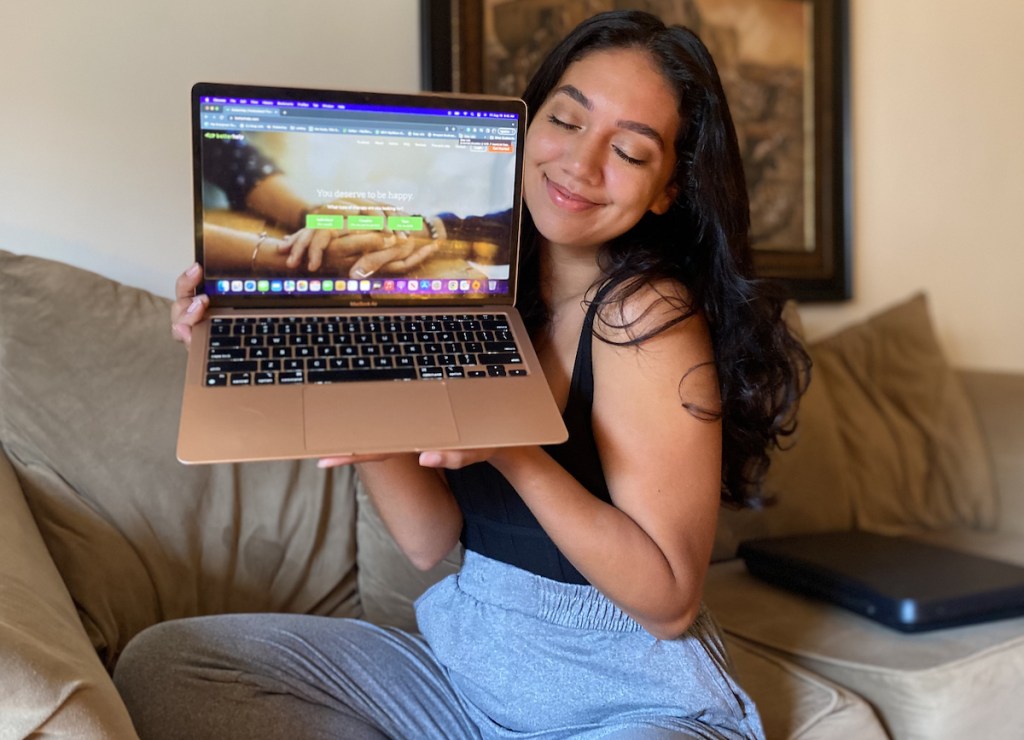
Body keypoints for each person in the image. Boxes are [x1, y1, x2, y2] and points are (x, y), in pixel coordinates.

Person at [116, 10, 809, 738]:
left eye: (630, 152)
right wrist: (339, 368)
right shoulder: (470, 284)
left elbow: (668, 599)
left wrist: (509, 442)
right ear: (525, 126)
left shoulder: (645, 313)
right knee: (170, 664)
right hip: (466, 682)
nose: (580, 162)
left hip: (629, 703)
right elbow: (428, 537)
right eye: (567, 122)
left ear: (668, 187)